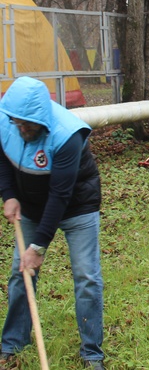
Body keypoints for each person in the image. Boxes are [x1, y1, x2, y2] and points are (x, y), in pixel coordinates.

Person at [0, 77, 105, 369]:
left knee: (87, 277)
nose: (21, 130)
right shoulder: (6, 120)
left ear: (40, 119)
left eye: (27, 126)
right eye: (17, 124)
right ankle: (12, 345)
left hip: (76, 205)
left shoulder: (66, 134)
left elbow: (60, 195)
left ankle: (92, 354)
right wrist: (8, 195)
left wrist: (38, 247)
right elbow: (2, 158)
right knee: (20, 274)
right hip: (30, 205)